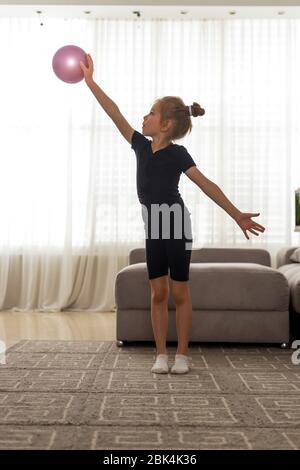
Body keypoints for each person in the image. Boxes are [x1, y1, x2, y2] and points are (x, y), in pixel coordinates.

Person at [80, 54, 266, 375]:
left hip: (177, 224)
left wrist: (236, 214)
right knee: (158, 292)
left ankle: (182, 355)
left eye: (151, 113)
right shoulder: (139, 145)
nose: (144, 116)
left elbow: (206, 184)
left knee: (179, 291)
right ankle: (161, 355)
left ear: (165, 124)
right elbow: (115, 113)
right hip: (154, 226)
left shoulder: (178, 154)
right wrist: (90, 81)